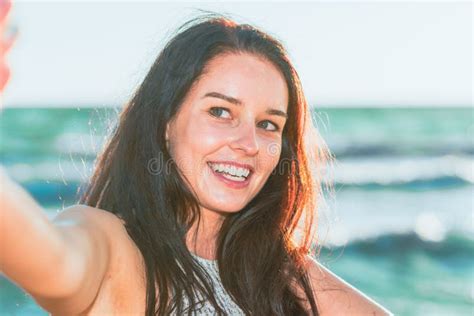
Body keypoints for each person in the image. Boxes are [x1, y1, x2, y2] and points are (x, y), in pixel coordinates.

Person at [0, 14, 392, 315]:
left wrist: (285, 265)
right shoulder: (113, 246)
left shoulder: (278, 271)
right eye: (220, 111)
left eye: (268, 124)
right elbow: (48, 257)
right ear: (166, 122)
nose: (249, 144)